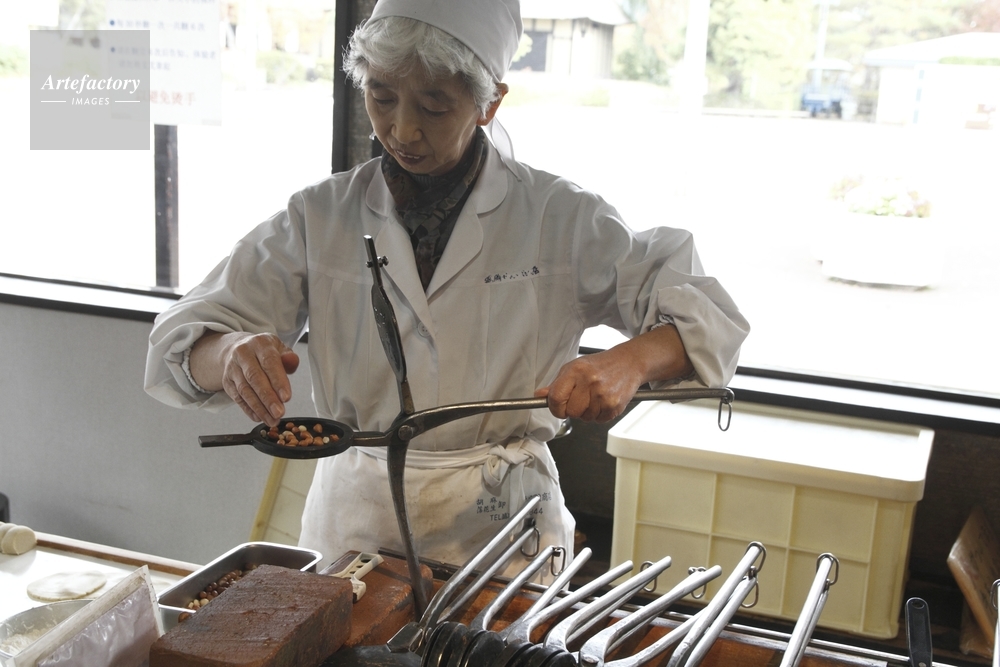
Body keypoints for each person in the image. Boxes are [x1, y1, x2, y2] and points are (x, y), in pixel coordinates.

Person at [144, 0, 749, 577]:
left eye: (434, 106)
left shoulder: (559, 217)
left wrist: (630, 362)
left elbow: (710, 317)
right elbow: (182, 340)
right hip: (356, 523)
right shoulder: (319, 216)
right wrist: (229, 354)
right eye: (381, 97)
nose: (401, 130)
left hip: (502, 531)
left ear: (489, 103)